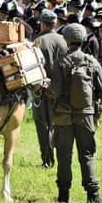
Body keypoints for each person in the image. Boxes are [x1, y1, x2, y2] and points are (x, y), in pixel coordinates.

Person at [49, 23, 102, 203]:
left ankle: (63, 197)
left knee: (63, 156)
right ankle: (93, 196)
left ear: (67, 40)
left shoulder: (59, 62)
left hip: (63, 116)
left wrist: (46, 88)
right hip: (86, 115)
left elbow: (55, 91)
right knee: (87, 154)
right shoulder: (91, 61)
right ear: (83, 40)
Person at [33, 10, 68, 168]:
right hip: (63, 90)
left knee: (43, 125)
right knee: (59, 125)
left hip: (43, 90)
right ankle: (61, 157)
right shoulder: (65, 40)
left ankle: (47, 160)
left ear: (43, 23)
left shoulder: (39, 40)